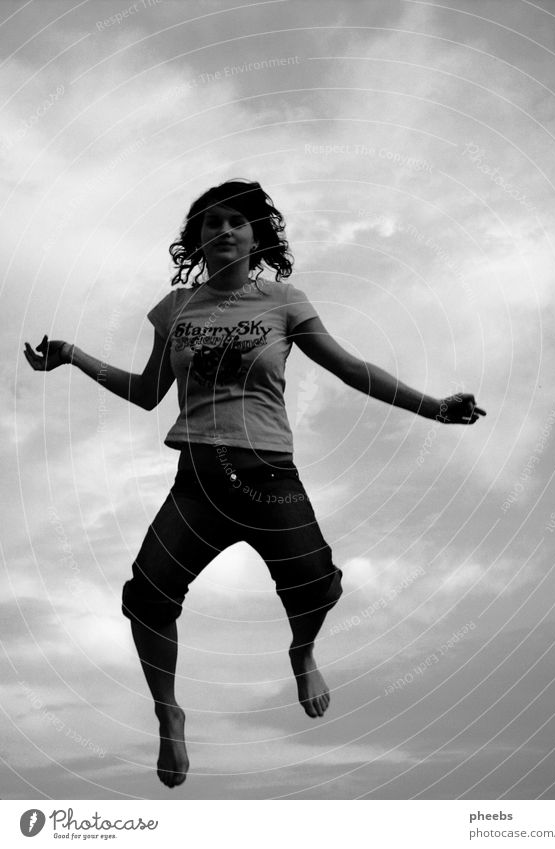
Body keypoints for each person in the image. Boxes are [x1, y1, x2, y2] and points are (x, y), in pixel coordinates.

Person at [24, 179, 486, 788]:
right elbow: (146, 393)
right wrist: (74, 356)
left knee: (319, 586)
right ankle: (168, 713)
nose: (222, 231)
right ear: (197, 240)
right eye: (210, 223)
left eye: (236, 222)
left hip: (269, 475)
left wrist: (435, 408)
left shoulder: (285, 302)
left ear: (255, 235)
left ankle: (301, 653)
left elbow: (351, 369)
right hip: (198, 480)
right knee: (148, 596)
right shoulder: (175, 310)